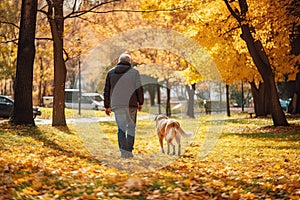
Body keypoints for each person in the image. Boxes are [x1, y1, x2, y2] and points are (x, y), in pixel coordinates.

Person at [103, 53, 144, 158]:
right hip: (131, 104)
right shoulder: (134, 73)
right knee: (131, 128)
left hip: (117, 104)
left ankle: (123, 153)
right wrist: (140, 102)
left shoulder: (110, 73)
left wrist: (107, 105)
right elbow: (139, 88)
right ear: (129, 62)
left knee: (121, 129)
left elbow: (106, 90)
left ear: (119, 61)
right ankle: (129, 151)